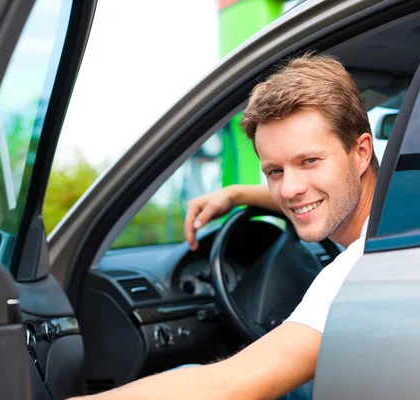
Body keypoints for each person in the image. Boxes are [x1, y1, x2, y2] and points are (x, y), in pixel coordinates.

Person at [69, 52, 378, 400]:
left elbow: (227, 386)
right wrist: (236, 195)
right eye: (275, 171)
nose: (290, 189)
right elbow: (315, 192)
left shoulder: (366, 264)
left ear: (361, 152)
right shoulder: (412, 203)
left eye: (310, 161)